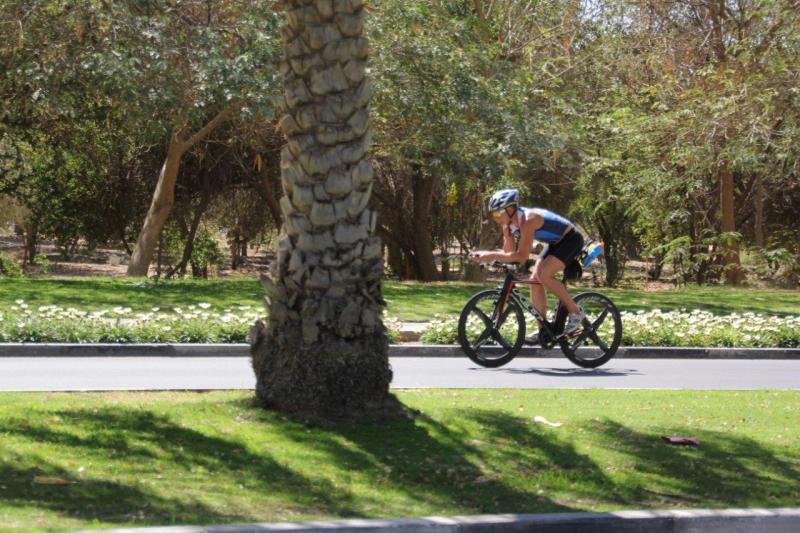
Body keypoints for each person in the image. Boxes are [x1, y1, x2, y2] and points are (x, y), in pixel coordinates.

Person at [469, 188, 587, 343]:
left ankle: (576, 312)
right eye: (493, 214)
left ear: (510, 209)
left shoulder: (528, 220)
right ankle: (543, 329)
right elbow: (509, 253)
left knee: (544, 274)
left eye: (498, 213)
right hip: (554, 243)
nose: (495, 217)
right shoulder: (508, 225)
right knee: (534, 280)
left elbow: (522, 257)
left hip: (571, 240)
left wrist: (491, 255)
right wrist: (493, 258)